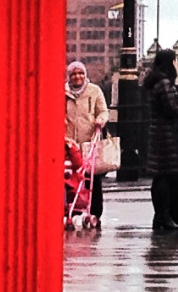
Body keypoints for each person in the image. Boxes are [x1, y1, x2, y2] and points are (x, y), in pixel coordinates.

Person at [140, 55, 178, 233]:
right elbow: (171, 109)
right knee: (167, 175)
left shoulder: (153, 81)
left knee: (159, 176)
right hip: (167, 134)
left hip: (156, 132)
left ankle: (160, 216)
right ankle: (164, 216)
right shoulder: (164, 83)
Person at [64, 61, 109, 230]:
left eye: (80, 73)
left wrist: (100, 121)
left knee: (93, 177)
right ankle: (71, 209)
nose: (77, 77)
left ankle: (95, 211)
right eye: (74, 74)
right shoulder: (63, 92)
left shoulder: (94, 91)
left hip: (90, 140)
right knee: (70, 178)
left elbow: (103, 111)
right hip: (69, 142)